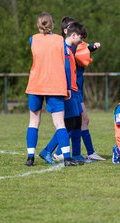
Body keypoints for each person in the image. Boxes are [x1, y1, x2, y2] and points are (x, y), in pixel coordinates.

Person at [25, 12, 78, 167]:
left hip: (36, 84)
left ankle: (30, 157)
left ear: (38, 25)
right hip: (55, 85)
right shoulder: (60, 40)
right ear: (52, 24)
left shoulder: (32, 39)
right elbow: (66, 66)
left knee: (33, 121)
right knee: (59, 122)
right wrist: (68, 87)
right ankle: (67, 158)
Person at [53, 17, 105, 162]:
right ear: (66, 31)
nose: (78, 35)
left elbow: (82, 52)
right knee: (73, 122)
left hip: (77, 88)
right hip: (71, 89)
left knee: (80, 120)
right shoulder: (65, 49)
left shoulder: (76, 46)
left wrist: (91, 48)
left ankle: (84, 152)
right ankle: (57, 151)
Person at [38, 21, 86, 164]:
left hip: (73, 90)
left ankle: (70, 153)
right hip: (66, 91)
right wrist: (67, 89)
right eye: (80, 38)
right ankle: (48, 151)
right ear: (73, 35)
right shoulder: (63, 49)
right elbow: (64, 71)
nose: (81, 41)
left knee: (74, 122)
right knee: (69, 123)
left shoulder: (70, 49)